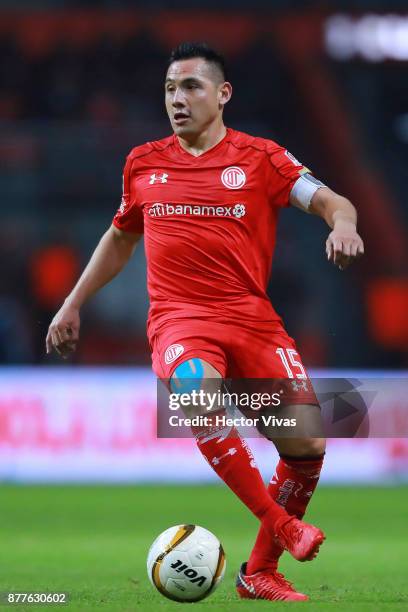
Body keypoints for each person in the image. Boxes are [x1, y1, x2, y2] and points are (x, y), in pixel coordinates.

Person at [46, 42, 364, 601]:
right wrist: (72, 302)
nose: (177, 99)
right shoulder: (144, 162)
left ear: (223, 95)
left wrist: (342, 226)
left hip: (252, 323)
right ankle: (284, 525)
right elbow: (121, 236)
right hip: (180, 320)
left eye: (191, 86)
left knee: (307, 447)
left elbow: (334, 202)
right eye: (170, 88)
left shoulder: (263, 159)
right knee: (197, 390)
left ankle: (259, 572)